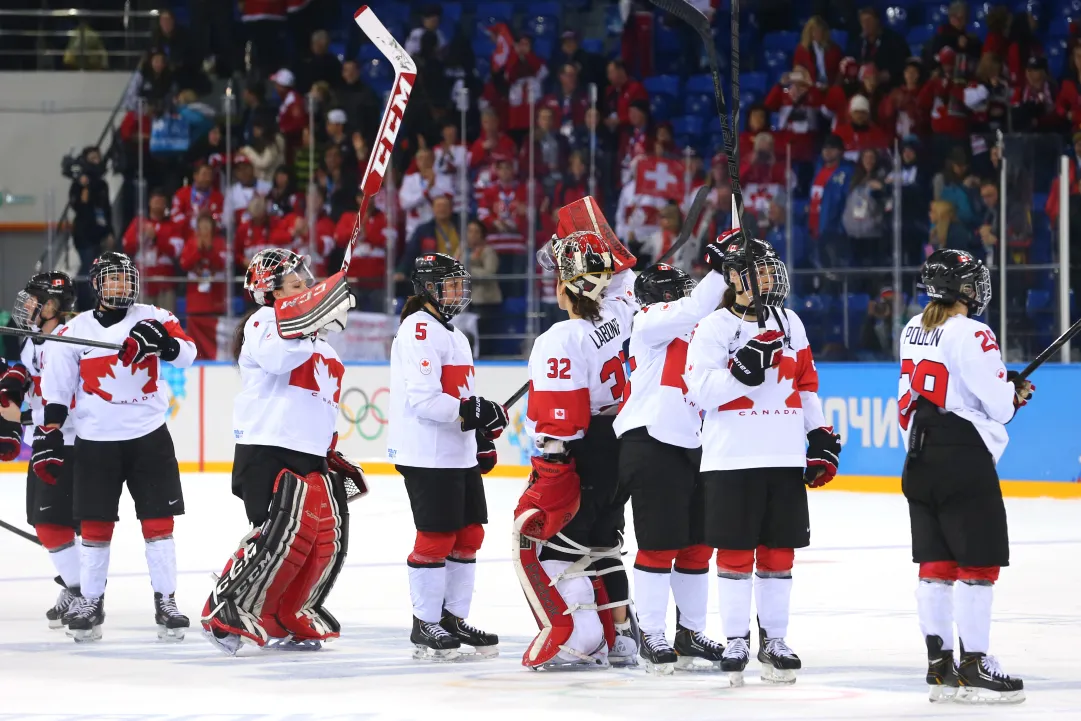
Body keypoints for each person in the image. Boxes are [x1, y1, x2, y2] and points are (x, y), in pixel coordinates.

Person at [684, 233, 841, 686]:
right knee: (735, 552)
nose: (771, 276)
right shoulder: (713, 328)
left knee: (779, 552)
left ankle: (776, 640)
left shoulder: (791, 322)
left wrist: (819, 434)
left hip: (783, 453)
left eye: (773, 268)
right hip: (732, 458)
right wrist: (743, 371)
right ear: (735, 278)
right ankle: (736, 639)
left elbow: (806, 385)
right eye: (761, 269)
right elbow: (702, 391)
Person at [201, 248, 362, 655]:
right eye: (294, 285)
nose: (306, 289)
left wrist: (329, 448)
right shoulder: (264, 321)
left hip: (309, 452)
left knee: (320, 540)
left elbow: (323, 402)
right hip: (267, 447)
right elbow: (277, 360)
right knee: (276, 536)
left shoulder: (326, 348)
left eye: (306, 284)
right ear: (270, 293)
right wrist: (312, 321)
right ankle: (225, 607)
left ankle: (285, 612)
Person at [35, 252, 197, 643]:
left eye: (126, 280)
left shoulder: (154, 316)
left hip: (148, 435)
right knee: (94, 526)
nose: (121, 287)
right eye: (112, 280)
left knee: (159, 523)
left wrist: (165, 344)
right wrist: (52, 433)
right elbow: (56, 391)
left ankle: (166, 599)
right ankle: (91, 601)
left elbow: (188, 354)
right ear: (97, 285)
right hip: (96, 441)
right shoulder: (74, 330)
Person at [898, 249, 1031, 704]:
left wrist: (1000, 387)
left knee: (936, 563)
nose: (979, 289)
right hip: (961, 456)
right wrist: (1012, 393)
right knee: (979, 562)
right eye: (972, 282)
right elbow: (998, 406)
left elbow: (952, 385)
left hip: (918, 454)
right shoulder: (974, 331)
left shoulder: (913, 327)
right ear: (959, 290)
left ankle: (940, 663)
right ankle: (975, 662)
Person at [513, 226, 640, 670]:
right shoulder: (621, 314)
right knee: (605, 543)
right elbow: (624, 278)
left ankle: (581, 639)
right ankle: (622, 637)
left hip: (582, 451)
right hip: (620, 442)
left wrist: (551, 466)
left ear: (566, 285)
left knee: (557, 548)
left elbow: (560, 419)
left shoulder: (560, 339)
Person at [613, 240, 730, 675]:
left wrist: (736, 275)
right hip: (651, 443)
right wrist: (718, 269)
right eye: (678, 292)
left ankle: (690, 633)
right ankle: (653, 635)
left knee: (698, 546)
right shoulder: (648, 322)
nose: (685, 298)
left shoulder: (697, 328)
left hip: (693, 445)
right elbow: (695, 307)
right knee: (660, 546)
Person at [388, 253, 508, 660]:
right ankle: (425, 623)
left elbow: (462, 397)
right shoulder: (417, 330)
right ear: (428, 289)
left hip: (456, 451)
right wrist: (472, 410)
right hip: (426, 451)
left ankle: (452, 618)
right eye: (450, 285)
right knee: (437, 538)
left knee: (470, 534)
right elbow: (424, 400)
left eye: (460, 283)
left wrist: (481, 433)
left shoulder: (454, 334)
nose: (458, 292)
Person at [0, 273, 79, 628]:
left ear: (52, 305)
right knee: (49, 522)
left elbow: (73, 400)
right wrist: (17, 381)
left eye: (34, 298)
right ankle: (74, 585)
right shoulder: (33, 342)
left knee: (54, 524)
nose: (27, 304)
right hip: (43, 441)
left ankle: (82, 591)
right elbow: (31, 380)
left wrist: (22, 414)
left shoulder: (69, 341)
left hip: (70, 441)